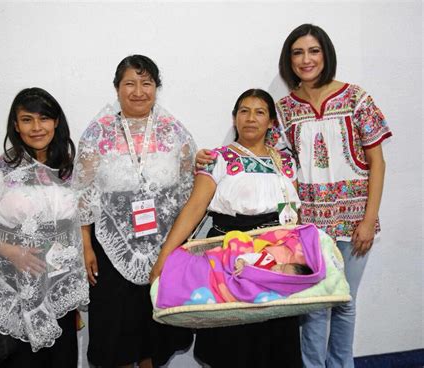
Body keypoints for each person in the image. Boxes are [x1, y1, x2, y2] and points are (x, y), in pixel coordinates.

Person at [150, 88, 302, 367]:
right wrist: (165, 257)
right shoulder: (217, 159)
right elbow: (194, 209)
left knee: (276, 339)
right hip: (230, 256)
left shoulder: (287, 162)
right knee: (233, 341)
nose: (251, 118)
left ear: (271, 123)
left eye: (260, 112)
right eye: (244, 111)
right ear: (234, 118)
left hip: (276, 257)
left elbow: (294, 213)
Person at [275, 23, 392, 368]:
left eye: (314, 51)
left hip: (355, 222)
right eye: (298, 52)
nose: (306, 59)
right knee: (313, 304)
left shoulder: (357, 98)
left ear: (325, 54)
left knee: (344, 301)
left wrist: (369, 221)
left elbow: (377, 162)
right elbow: (272, 161)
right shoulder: (284, 109)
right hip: (309, 225)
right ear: (289, 59)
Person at [0, 87, 89, 367]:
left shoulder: (70, 171)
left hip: (57, 291)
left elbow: (80, 223)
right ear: (16, 125)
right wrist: (12, 252)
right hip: (12, 290)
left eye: (44, 119)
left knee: (61, 360)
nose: (37, 127)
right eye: (27, 120)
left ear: (56, 122)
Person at [73, 55, 196, 367]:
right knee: (116, 334)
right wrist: (86, 245)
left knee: (154, 332)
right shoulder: (97, 133)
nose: (138, 91)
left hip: (162, 248)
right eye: (130, 83)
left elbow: (189, 189)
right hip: (111, 248)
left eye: (146, 83)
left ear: (156, 87)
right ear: (117, 89)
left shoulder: (174, 132)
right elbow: (83, 194)